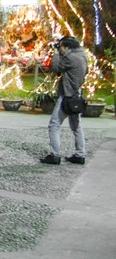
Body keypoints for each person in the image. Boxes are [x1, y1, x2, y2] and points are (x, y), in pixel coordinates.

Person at [40, 36, 89, 165]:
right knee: (76, 127)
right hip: (76, 95)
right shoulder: (83, 56)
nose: (59, 49)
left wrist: (56, 54)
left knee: (54, 125)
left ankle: (55, 155)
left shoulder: (70, 58)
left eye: (60, 46)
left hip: (67, 96)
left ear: (67, 47)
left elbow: (55, 67)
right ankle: (80, 154)